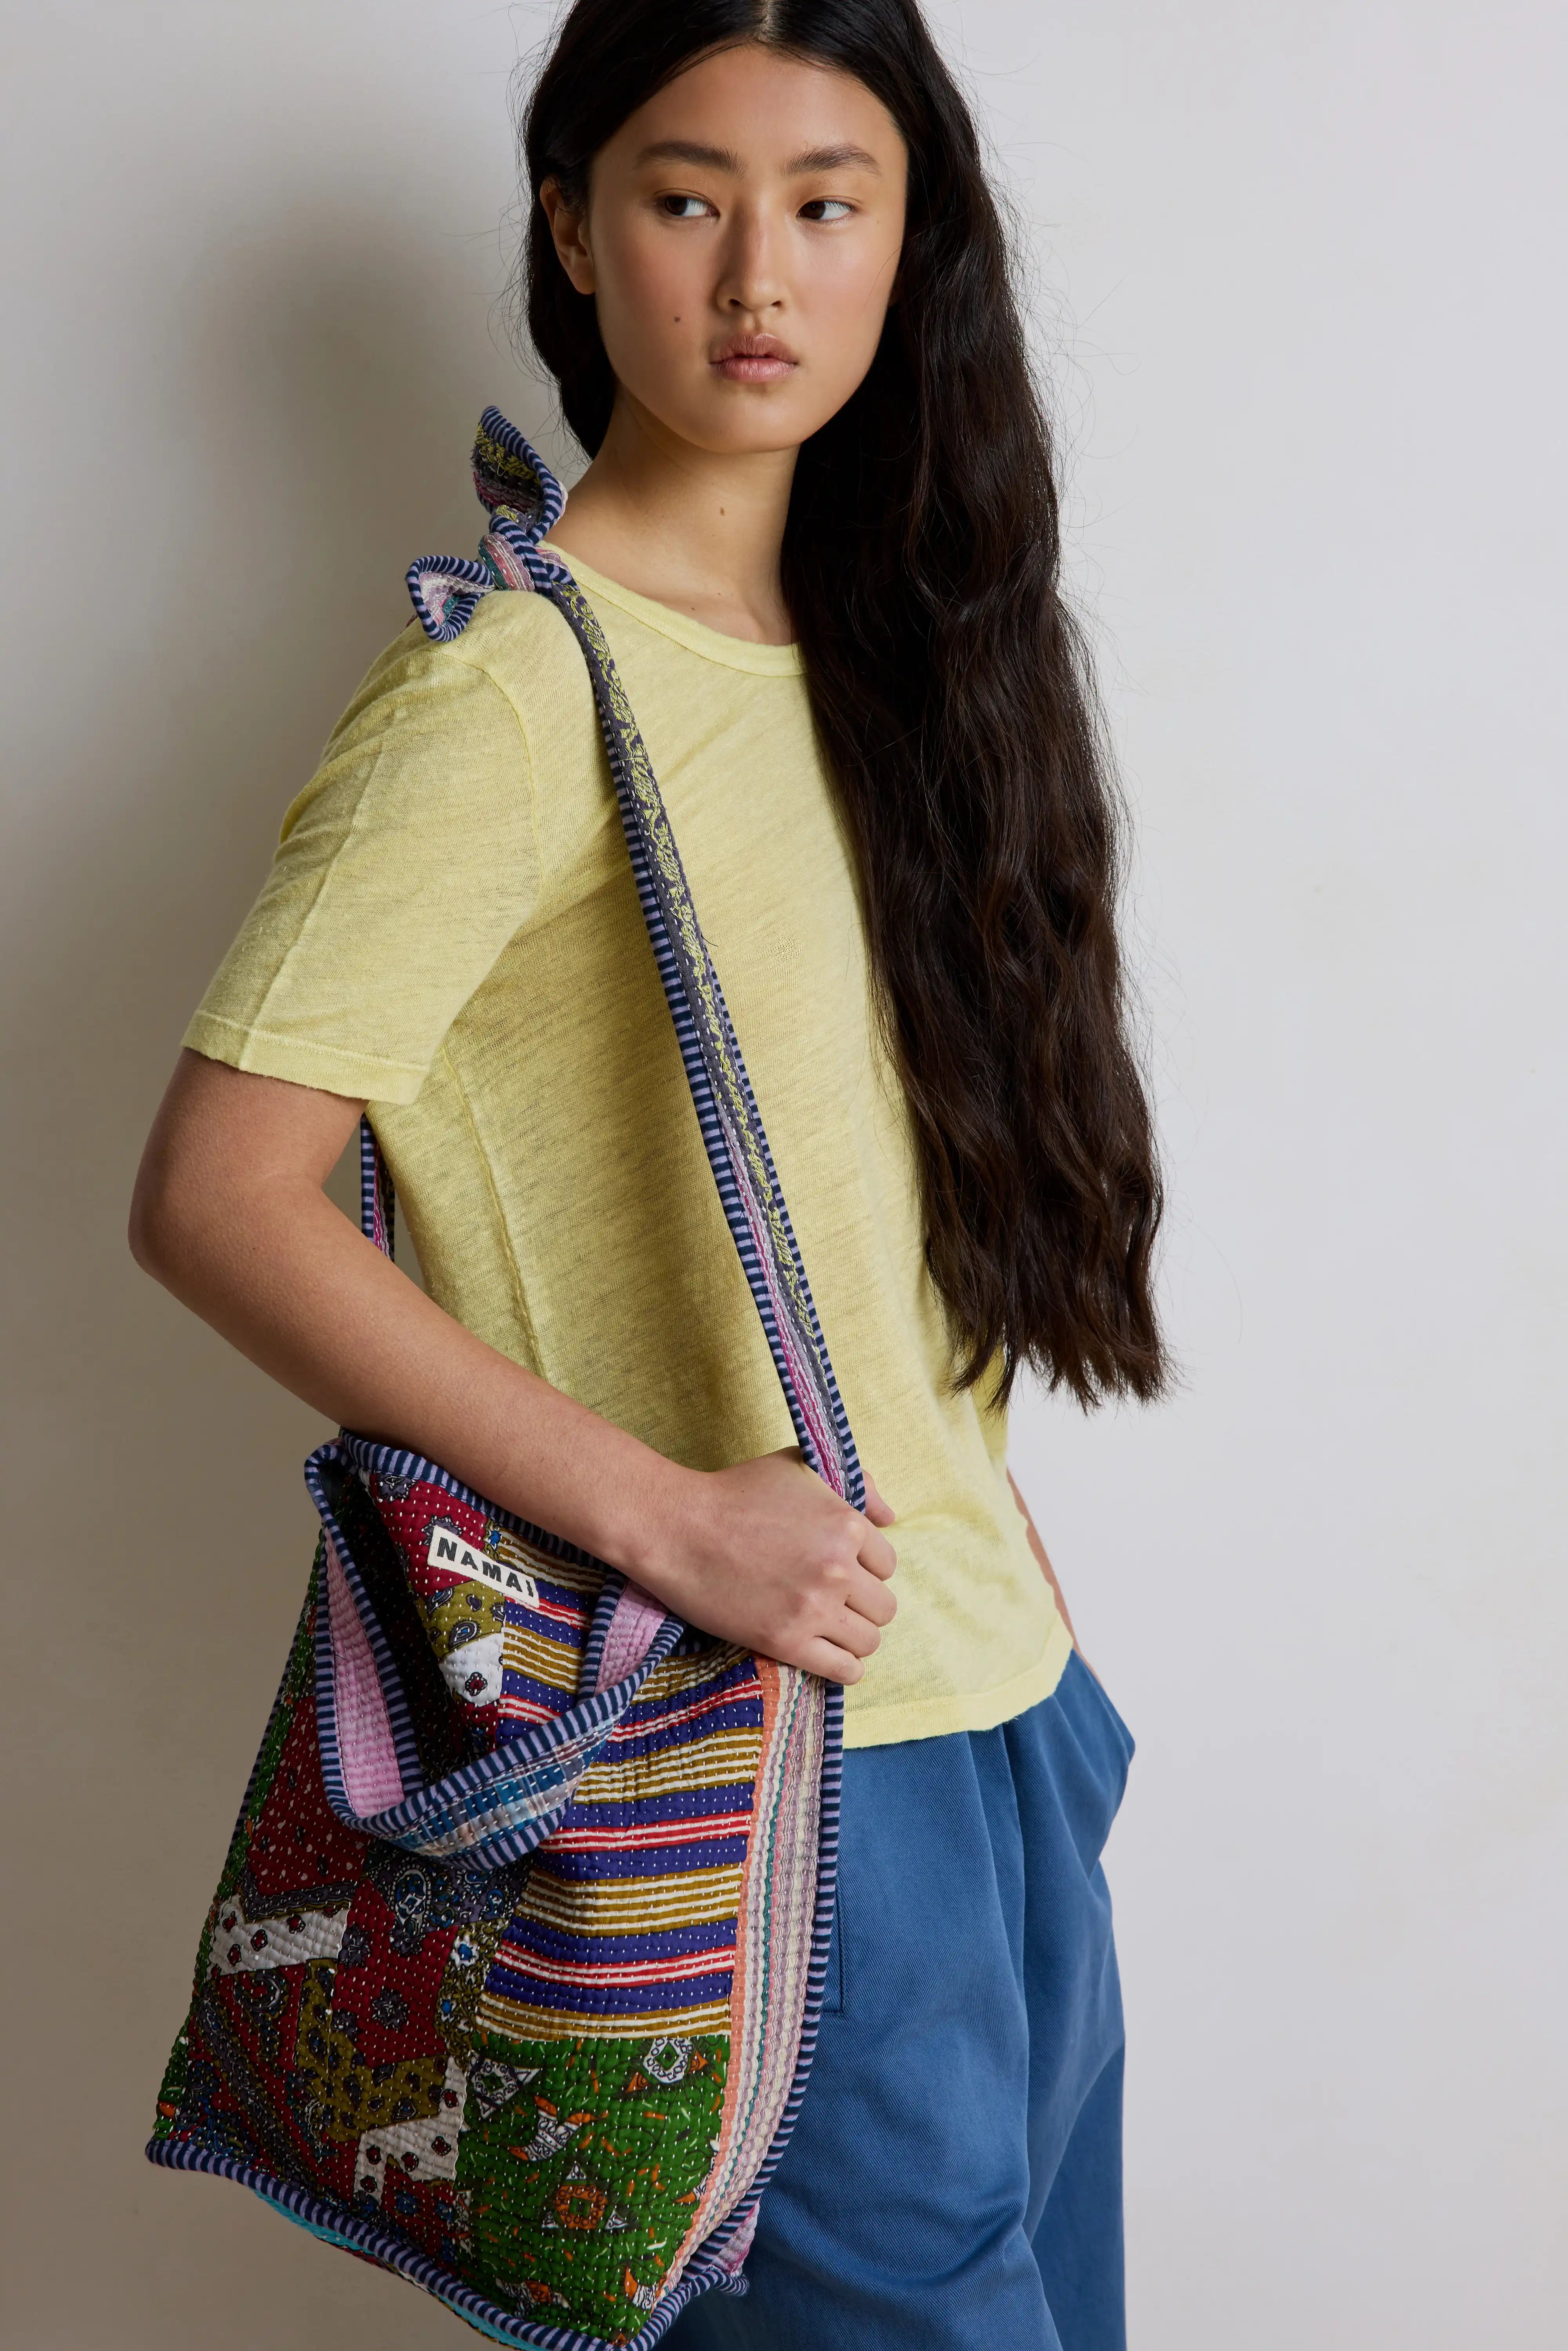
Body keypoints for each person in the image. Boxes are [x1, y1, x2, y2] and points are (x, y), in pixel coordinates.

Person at [130, 3, 1165, 2344]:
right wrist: (675, 1521)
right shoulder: (509, 697)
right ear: (574, 234)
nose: (757, 275)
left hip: (998, 1712)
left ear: (914, 243)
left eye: (827, 203)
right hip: (758, 1763)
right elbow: (217, 1191)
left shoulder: (888, 656)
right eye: (688, 198)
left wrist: (1002, 1569)